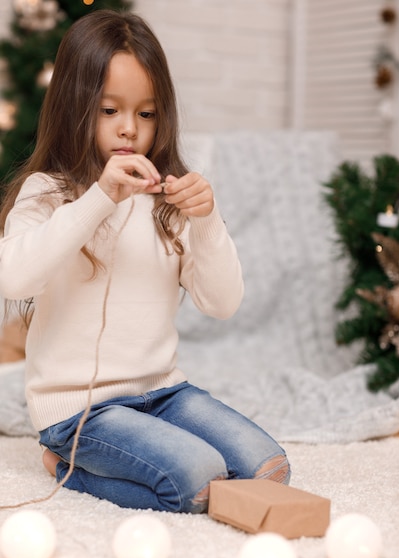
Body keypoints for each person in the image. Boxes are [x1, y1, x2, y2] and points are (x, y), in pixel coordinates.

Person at [0, 10, 290, 513]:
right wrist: (99, 197)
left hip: (164, 394)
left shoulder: (166, 203)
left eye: (147, 114)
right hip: (80, 411)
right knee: (198, 478)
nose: (129, 129)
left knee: (270, 468)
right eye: (109, 110)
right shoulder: (46, 192)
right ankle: (65, 467)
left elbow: (222, 303)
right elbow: (14, 277)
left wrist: (206, 218)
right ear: (75, 106)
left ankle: (152, 460)